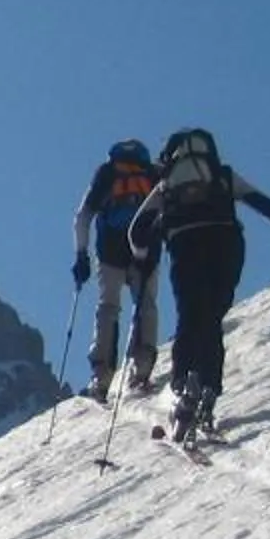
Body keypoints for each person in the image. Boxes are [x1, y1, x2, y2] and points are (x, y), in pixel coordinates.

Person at [127, 127, 270, 436]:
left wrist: (142, 255)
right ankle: (208, 388)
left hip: (185, 245)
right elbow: (260, 201)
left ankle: (185, 383)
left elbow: (136, 231)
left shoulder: (166, 184)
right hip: (226, 244)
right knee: (211, 317)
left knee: (189, 315)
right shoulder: (222, 175)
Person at [70, 138, 162, 399]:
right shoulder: (153, 174)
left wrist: (81, 255)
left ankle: (102, 378)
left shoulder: (108, 174)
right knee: (146, 305)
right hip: (147, 253)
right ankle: (142, 368)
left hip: (110, 253)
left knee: (108, 308)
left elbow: (82, 217)